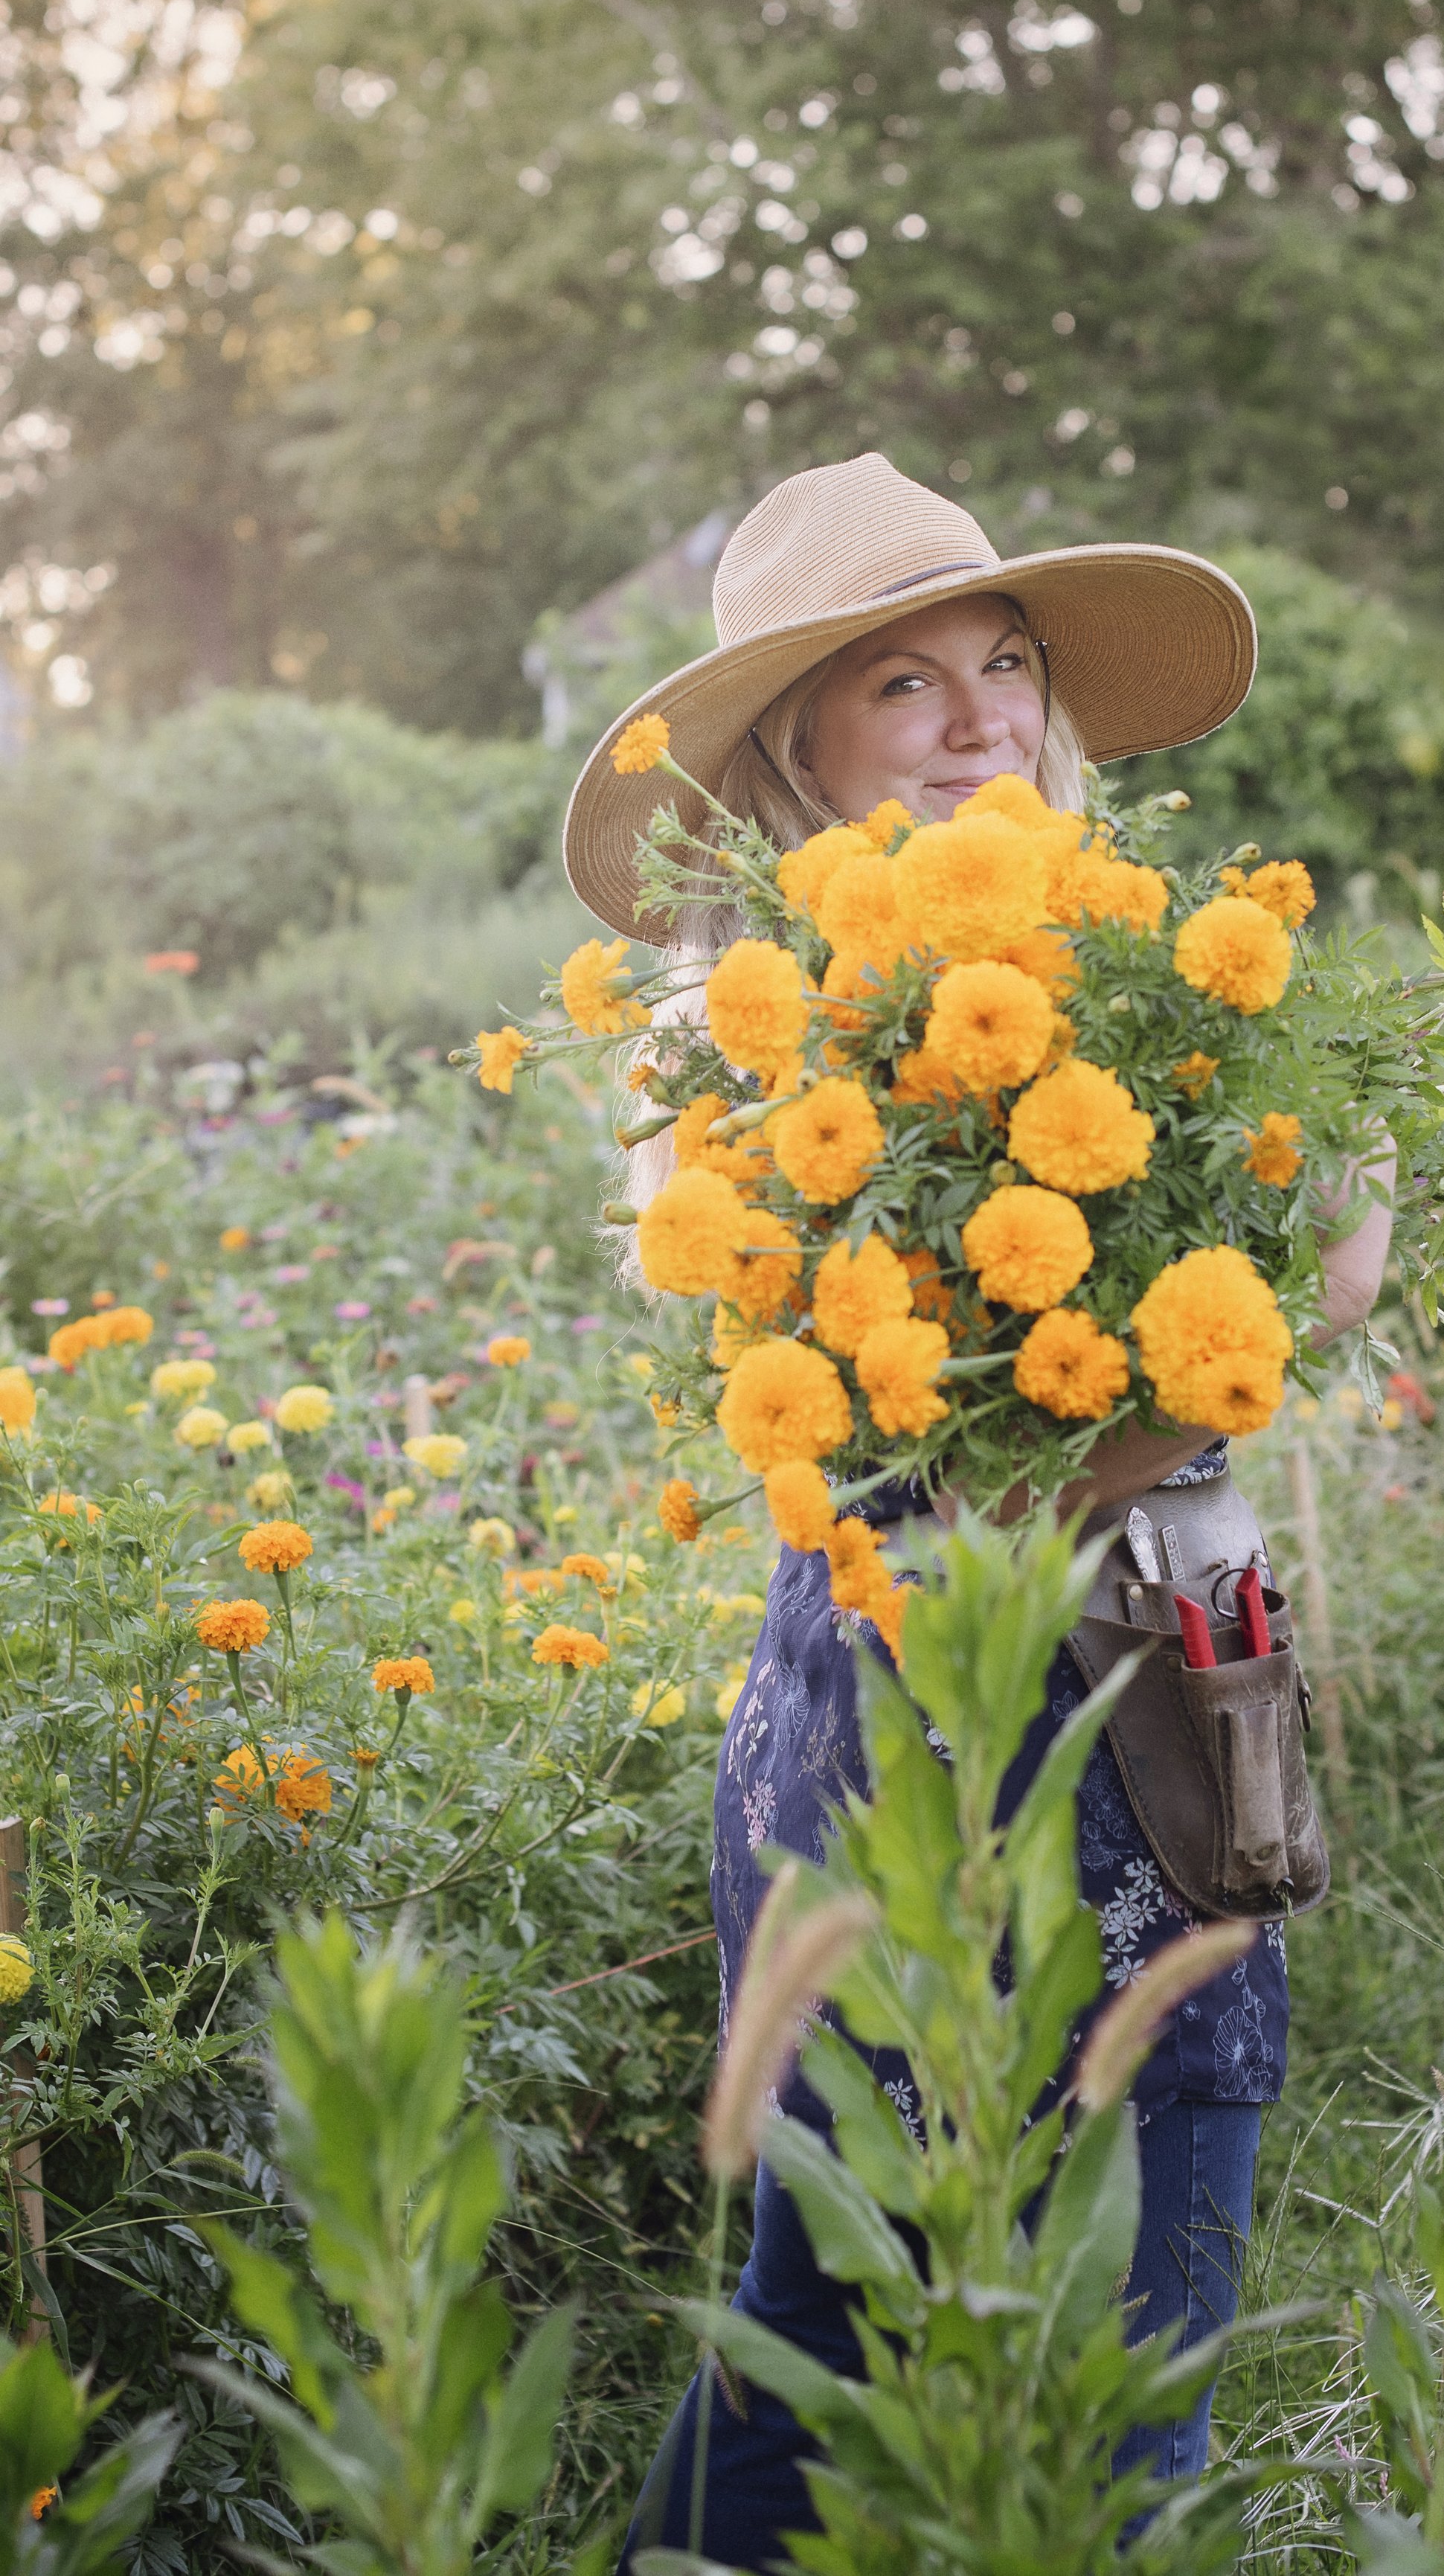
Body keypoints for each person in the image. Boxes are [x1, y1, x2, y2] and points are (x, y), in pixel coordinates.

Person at [562, 455, 1392, 2570]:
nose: (977, 717)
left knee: (1138, 2341)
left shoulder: (1151, 996)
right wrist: (1158, 1415)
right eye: (900, 687)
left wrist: (1324, 1245)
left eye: (1002, 668)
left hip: (1155, 1743)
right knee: (824, 2339)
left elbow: (1256, 1320)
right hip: (894, 1756)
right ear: (795, 767)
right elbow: (911, 1455)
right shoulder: (737, 1073)